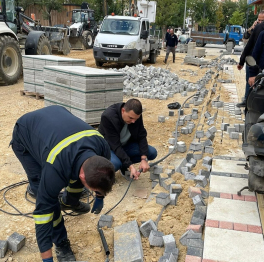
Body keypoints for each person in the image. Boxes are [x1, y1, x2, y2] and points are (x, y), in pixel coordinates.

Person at [11, 106, 115, 262]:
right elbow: (42, 216)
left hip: (55, 118)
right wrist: (47, 259)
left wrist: (100, 197)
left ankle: (69, 202)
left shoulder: (102, 148)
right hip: (25, 133)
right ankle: (61, 242)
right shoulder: (55, 167)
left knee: (73, 170)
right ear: (83, 175)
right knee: (46, 196)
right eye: (93, 191)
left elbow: (97, 175)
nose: (94, 193)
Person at [98, 98, 157, 180]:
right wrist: (131, 166)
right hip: (110, 148)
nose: (133, 121)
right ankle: (113, 164)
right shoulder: (108, 117)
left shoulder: (135, 115)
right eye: (131, 118)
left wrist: (144, 159)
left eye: (135, 119)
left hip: (125, 145)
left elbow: (141, 136)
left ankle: (123, 164)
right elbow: (115, 146)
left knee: (151, 152)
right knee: (115, 164)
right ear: (123, 111)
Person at [236, 5, 264, 107]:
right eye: (258, 20)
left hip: (263, 62)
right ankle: (248, 100)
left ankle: (254, 103)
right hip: (252, 59)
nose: (260, 22)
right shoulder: (257, 28)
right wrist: (252, 28)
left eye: (262, 20)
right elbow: (246, 40)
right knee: (250, 81)